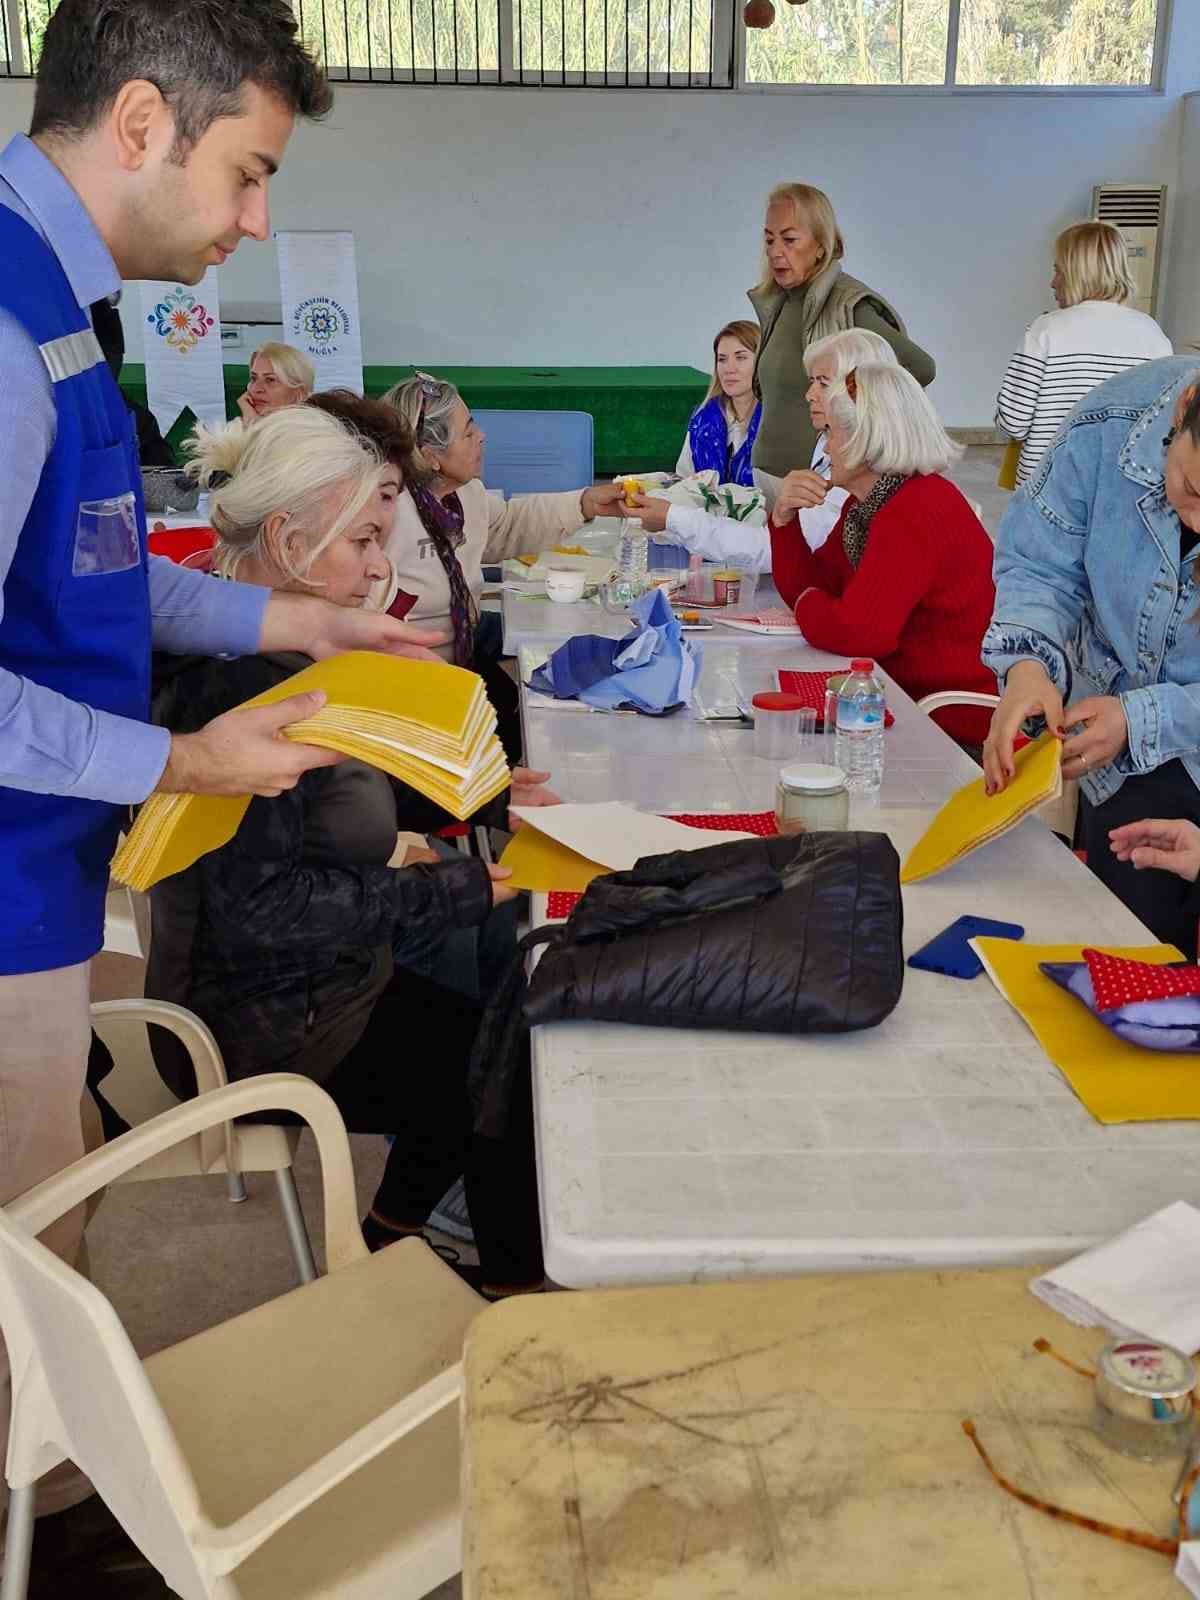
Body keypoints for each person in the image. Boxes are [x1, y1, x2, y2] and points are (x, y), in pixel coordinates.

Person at [0, 0, 439, 1563]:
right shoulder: (5, 321)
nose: (256, 222)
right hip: (8, 890)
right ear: (140, 124)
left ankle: (63, 1501)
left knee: (47, 1238)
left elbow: (102, 577)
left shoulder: (64, 310)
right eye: (248, 173)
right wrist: (186, 755)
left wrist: (294, 621)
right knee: (27, 1288)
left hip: (45, 875)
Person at [146, 406, 544, 1296]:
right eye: (364, 541)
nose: (378, 568)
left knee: (504, 993)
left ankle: (400, 1239)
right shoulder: (239, 688)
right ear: (289, 541)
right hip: (261, 1023)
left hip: (308, 983)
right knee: (501, 1056)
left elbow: (337, 803)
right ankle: (507, 1290)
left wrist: (479, 792)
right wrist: (450, 889)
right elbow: (263, 912)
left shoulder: (276, 654)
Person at [982, 355, 1200, 950]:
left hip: (1142, 734)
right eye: (1192, 489)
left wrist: (1142, 718)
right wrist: (1028, 667)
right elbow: (1039, 566)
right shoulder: (1106, 423)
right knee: (1122, 960)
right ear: (1183, 411)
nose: (1196, 520)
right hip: (1120, 767)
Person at [381, 372, 627, 758]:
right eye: (468, 432)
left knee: (546, 672)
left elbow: (506, 525)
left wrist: (584, 503)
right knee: (514, 723)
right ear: (430, 456)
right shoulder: (385, 513)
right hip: (412, 670)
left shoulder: (465, 494)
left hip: (464, 638)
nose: (481, 436)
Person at [770, 363, 996, 749]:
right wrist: (783, 519)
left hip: (952, 727)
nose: (825, 447)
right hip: (903, 701)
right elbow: (815, 588)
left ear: (864, 439)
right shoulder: (869, 505)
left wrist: (813, 603)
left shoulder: (917, 509)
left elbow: (858, 633)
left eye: (830, 432)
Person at [634, 328, 899, 574]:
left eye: (823, 383)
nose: (809, 394)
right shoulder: (825, 442)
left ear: (860, 390)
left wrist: (673, 517)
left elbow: (774, 551)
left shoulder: (851, 460)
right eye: (722, 359)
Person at [749, 182, 935, 484]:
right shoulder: (778, 302)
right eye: (769, 240)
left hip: (821, 487)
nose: (775, 251)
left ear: (821, 245)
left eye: (789, 239)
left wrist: (856, 418)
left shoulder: (848, 306)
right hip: (768, 476)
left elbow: (920, 368)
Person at [996, 220, 1172, 490]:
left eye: (1058, 270)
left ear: (1078, 273)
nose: (1053, 282)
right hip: (1120, 490)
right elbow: (1161, 428)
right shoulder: (1154, 336)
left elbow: (1012, 422)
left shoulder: (1045, 330)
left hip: (1047, 490)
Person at [676, 320, 761, 485]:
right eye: (722, 359)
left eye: (740, 358)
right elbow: (684, 480)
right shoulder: (702, 419)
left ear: (762, 362)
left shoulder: (775, 423)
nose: (729, 369)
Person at [237, 339, 315, 422]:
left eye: (270, 380)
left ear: (300, 392)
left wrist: (252, 422)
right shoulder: (239, 426)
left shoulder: (312, 428)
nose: (256, 389)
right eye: (254, 378)